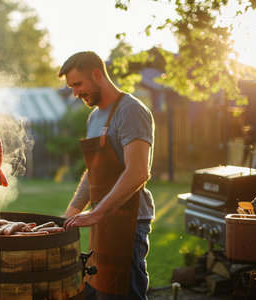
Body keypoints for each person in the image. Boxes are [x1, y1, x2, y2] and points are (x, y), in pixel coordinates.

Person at [59, 51, 155, 300]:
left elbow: (138, 172)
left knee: (124, 294)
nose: (75, 93)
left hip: (129, 223)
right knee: (99, 293)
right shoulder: (95, 116)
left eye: (78, 84)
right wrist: (70, 214)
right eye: (71, 87)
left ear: (97, 74)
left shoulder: (131, 110)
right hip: (101, 222)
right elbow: (93, 174)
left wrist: (97, 212)